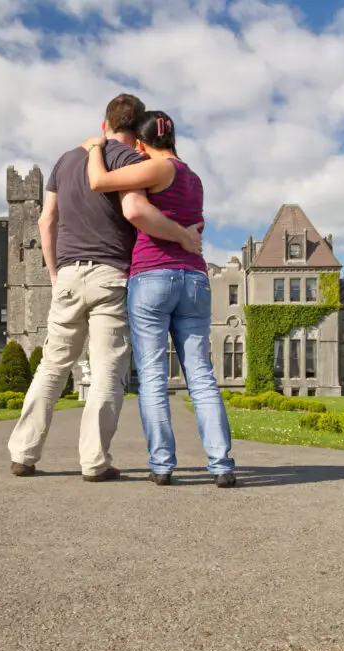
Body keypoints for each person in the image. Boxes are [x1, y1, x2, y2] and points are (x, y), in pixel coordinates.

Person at [7, 94, 202, 482]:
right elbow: (136, 211)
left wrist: (54, 272)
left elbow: (47, 221)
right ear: (138, 131)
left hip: (67, 276)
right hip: (111, 275)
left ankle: (23, 453)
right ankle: (94, 461)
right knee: (107, 371)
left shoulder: (65, 161)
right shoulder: (129, 160)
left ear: (104, 125)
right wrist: (181, 236)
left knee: (51, 367)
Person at [81, 110, 236, 488]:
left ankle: (163, 464)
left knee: (152, 375)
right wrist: (185, 236)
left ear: (142, 143)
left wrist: (94, 148)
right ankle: (221, 464)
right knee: (201, 376)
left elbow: (103, 183)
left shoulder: (157, 169)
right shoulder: (193, 178)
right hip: (196, 279)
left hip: (153, 274)